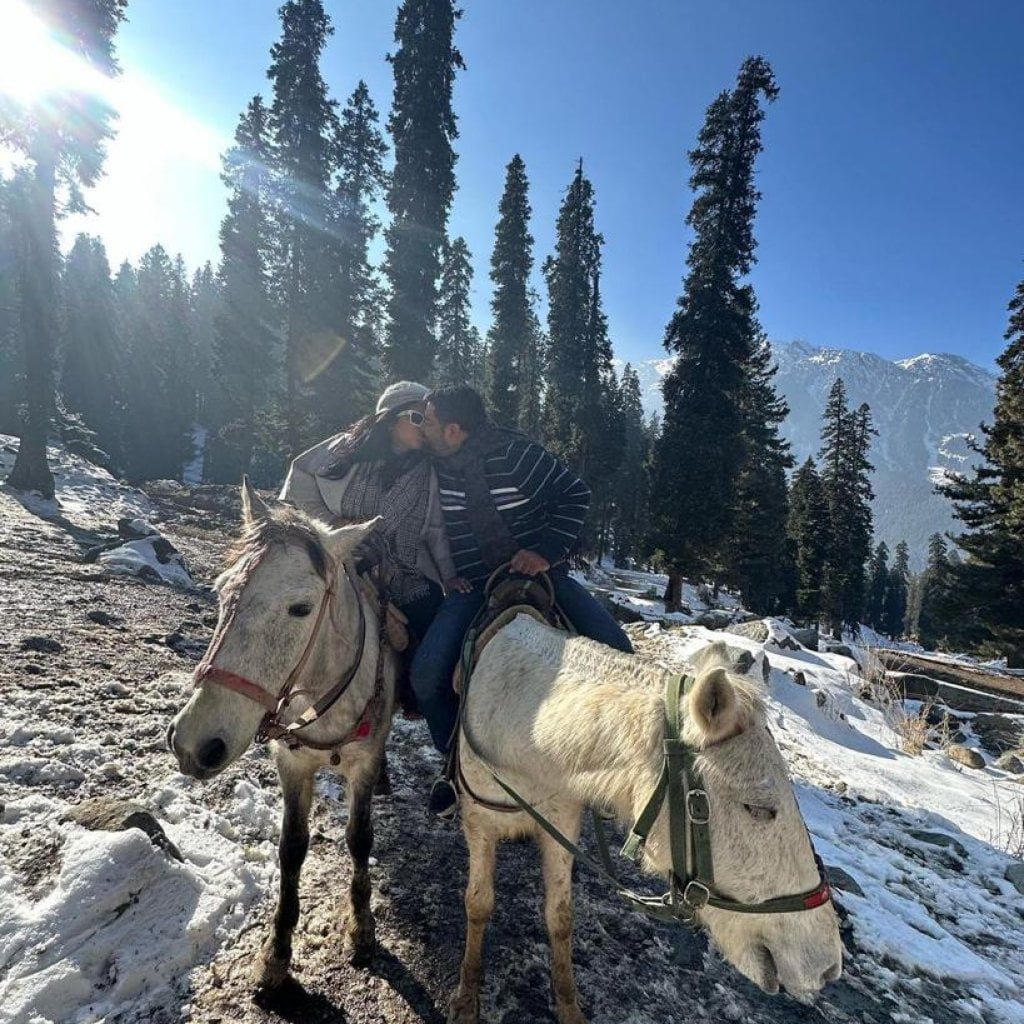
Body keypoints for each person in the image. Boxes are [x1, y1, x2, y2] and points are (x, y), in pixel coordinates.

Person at [411, 384, 633, 816]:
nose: (423, 428)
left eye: (429, 420)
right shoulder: (432, 466)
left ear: (454, 430)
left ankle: (609, 768)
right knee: (425, 673)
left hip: (538, 577)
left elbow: (576, 494)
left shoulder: (518, 456)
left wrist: (546, 552)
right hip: (474, 585)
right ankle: (452, 760)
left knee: (619, 656)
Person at [279, 381, 455, 645]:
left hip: (404, 577)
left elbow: (435, 531)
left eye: (428, 421)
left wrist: (449, 577)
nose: (424, 428)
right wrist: (331, 523)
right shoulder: (347, 448)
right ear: (390, 417)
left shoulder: (430, 470)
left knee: (431, 634)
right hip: (338, 559)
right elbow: (301, 474)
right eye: (417, 418)